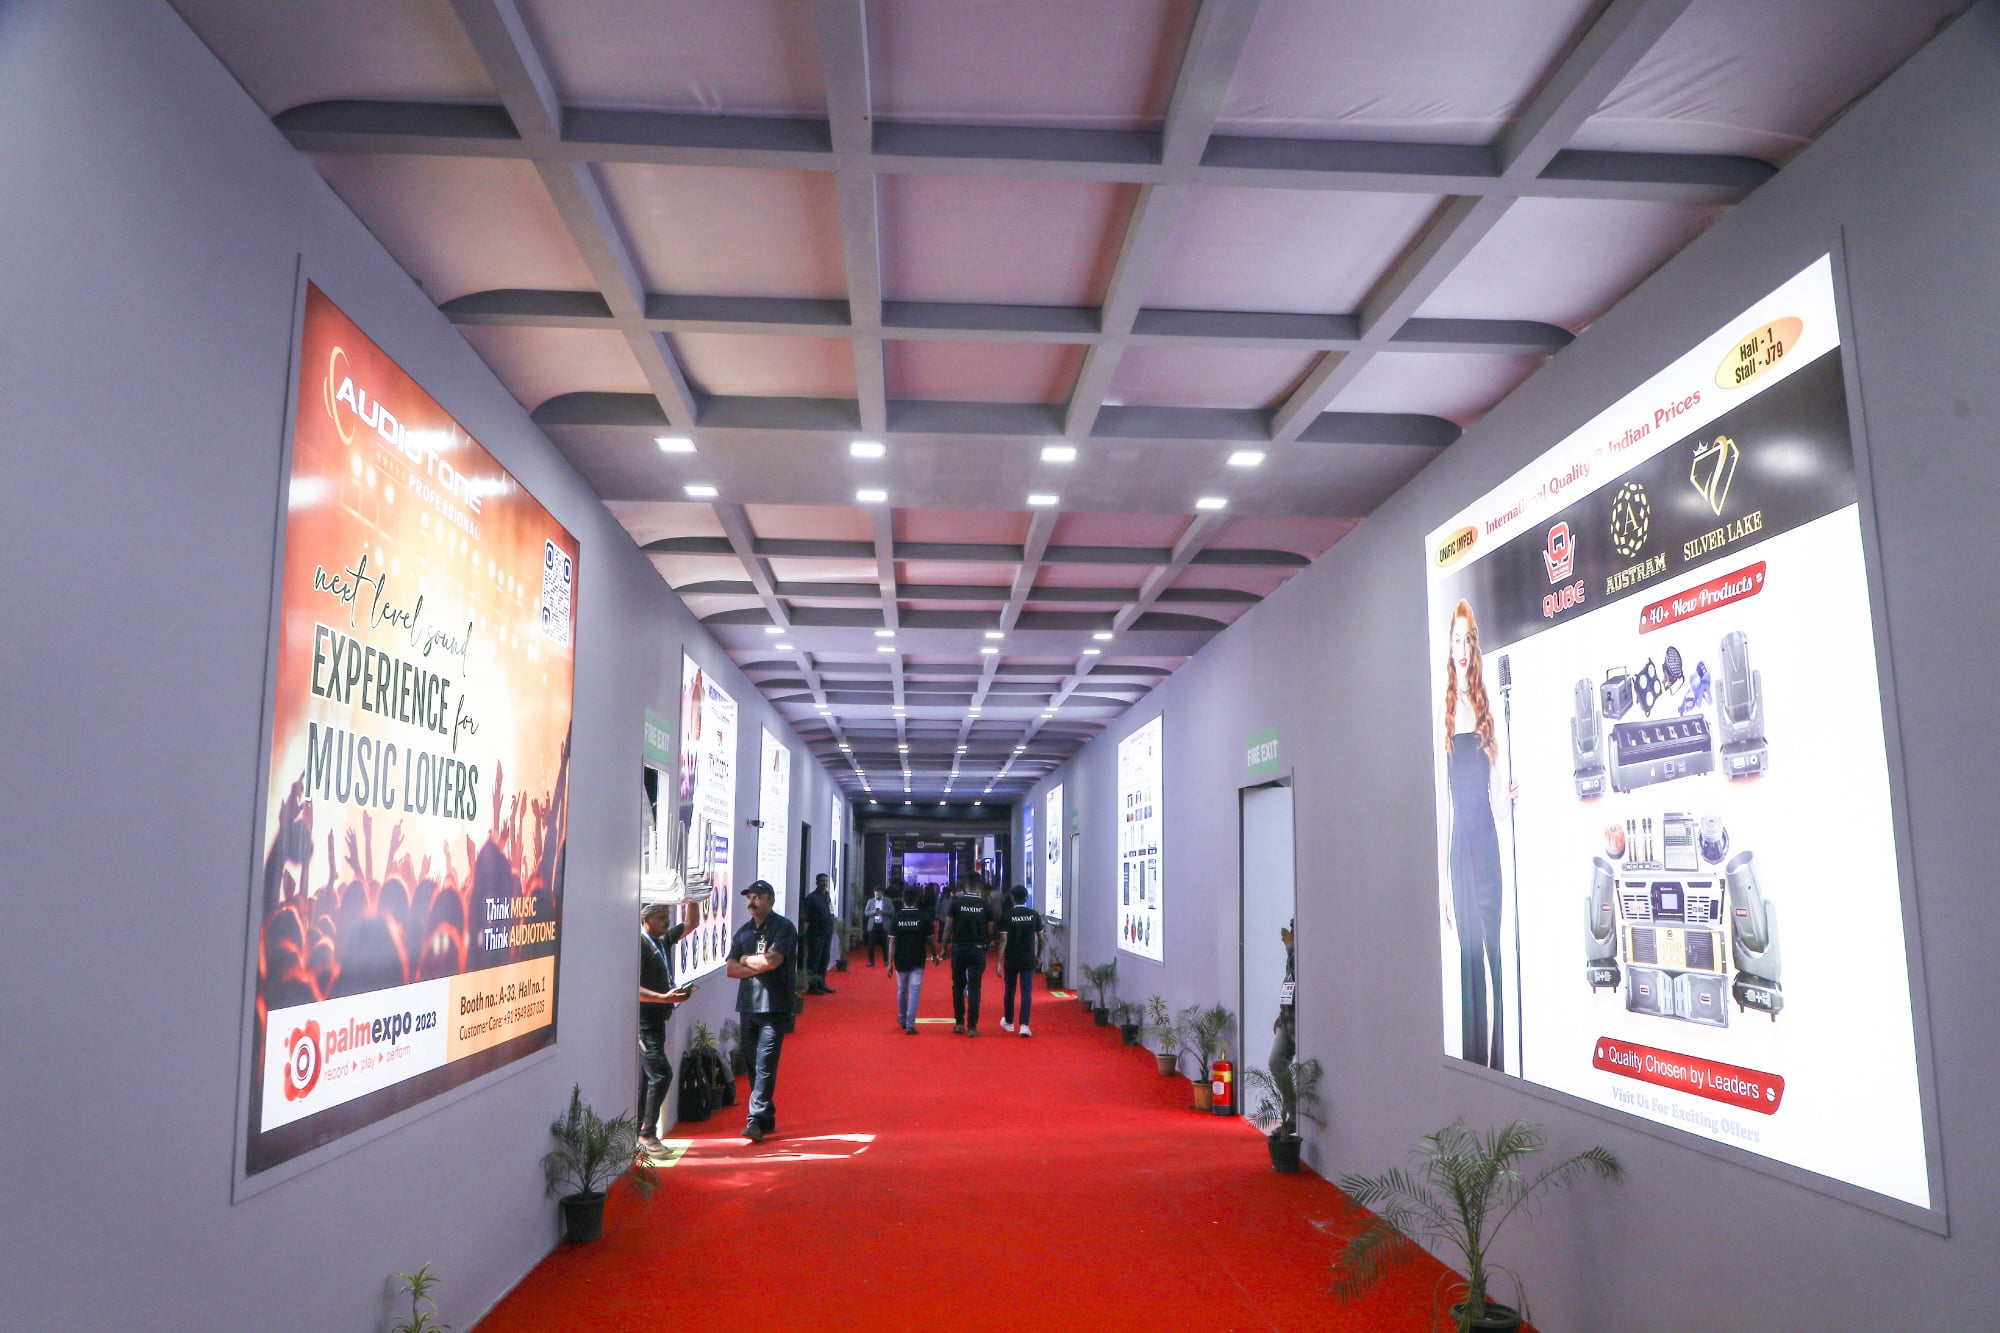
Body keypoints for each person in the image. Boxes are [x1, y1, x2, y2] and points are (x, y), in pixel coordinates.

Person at [1443, 599, 1510, 1070]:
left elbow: (1501, 796)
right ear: (1449, 647)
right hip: (1459, 843)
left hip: (1487, 837)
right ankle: (1473, 1065)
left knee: (1495, 953)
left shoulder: (1489, 708)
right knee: (1469, 960)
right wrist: (1442, 888)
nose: (1462, 647)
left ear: (1475, 645)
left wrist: (1511, 793)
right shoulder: (1443, 714)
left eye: (1468, 638)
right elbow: (1440, 799)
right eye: (1455, 638)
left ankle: (1499, 1062)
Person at [726, 880, 797, 1142]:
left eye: (757, 897)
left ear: (770, 900)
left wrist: (745, 960)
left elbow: (774, 960)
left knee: (765, 1063)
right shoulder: (743, 932)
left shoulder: (784, 928)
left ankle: (754, 1119)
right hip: (748, 1006)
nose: (752, 902)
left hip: (774, 1005)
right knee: (753, 1062)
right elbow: (731, 969)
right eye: (750, 897)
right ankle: (766, 1116)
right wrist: (753, 963)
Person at [638, 902, 695, 1154]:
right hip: (643, 1023)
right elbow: (632, 989)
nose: (667, 922)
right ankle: (647, 1134)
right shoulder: (638, 944)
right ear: (646, 919)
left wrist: (692, 894)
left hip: (658, 1020)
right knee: (661, 1074)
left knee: (648, 1077)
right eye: (662, 918)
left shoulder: (662, 940)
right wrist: (663, 998)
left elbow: (692, 923)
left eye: (668, 917)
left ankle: (639, 1131)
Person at [942, 877, 990, 1035]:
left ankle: (959, 1023)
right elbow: (990, 929)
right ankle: (972, 1026)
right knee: (975, 987)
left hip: (959, 948)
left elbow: (948, 927)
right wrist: (986, 946)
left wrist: (944, 947)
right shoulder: (984, 905)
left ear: (964, 886)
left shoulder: (956, 904)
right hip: (977, 949)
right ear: (979, 887)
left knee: (958, 986)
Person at [997, 885, 1043, 1037]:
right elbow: (1040, 938)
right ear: (1026, 898)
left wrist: (998, 961)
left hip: (1011, 958)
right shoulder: (1034, 914)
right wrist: (1038, 955)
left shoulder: (1007, 915)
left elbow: (1003, 940)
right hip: (1028, 958)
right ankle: (1024, 1025)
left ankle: (1009, 1021)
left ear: (1012, 898)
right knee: (1026, 991)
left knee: (1009, 990)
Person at [890, 887, 931, 1033]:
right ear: (917, 900)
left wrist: (889, 964)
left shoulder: (897, 917)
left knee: (902, 990)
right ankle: (910, 1024)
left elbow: (892, 942)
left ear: (902, 900)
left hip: (900, 959)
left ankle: (902, 1017)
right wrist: (935, 954)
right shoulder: (923, 917)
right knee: (914, 990)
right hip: (918, 958)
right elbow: (930, 939)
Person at [1269, 919, 1296, 1081]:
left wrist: (1290, 946)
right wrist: (1282, 1013)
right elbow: (1290, 981)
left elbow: (1299, 973)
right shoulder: (1292, 952)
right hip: (1288, 1019)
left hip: (1301, 1020)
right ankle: (1291, 1106)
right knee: (1275, 1063)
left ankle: (1296, 1106)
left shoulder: (1297, 950)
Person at [802, 872, 836, 993]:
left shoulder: (827, 896)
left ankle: (821, 984)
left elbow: (831, 911)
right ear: (817, 882)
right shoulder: (811, 898)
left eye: (826, 881)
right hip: (816, 933)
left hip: (827, 932)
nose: (824, 883)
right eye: (822, 881)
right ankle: (812, 987)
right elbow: (804, 916)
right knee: (814, 960)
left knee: (824, 959)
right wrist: (816, 921)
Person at [863, 885, 890, 967]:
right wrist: (873, 912)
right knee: (871, 944)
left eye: (879, 895)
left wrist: (882, 911)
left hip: (883, 925)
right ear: (874, 894)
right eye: (876, 895)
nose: (877, 896)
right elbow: (866, 913)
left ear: (882, 894)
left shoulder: (887, 901)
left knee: (885, 944)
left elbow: (892, 911)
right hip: (873, 925)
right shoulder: (870, 901)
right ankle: (871, 961)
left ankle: (886, 961)